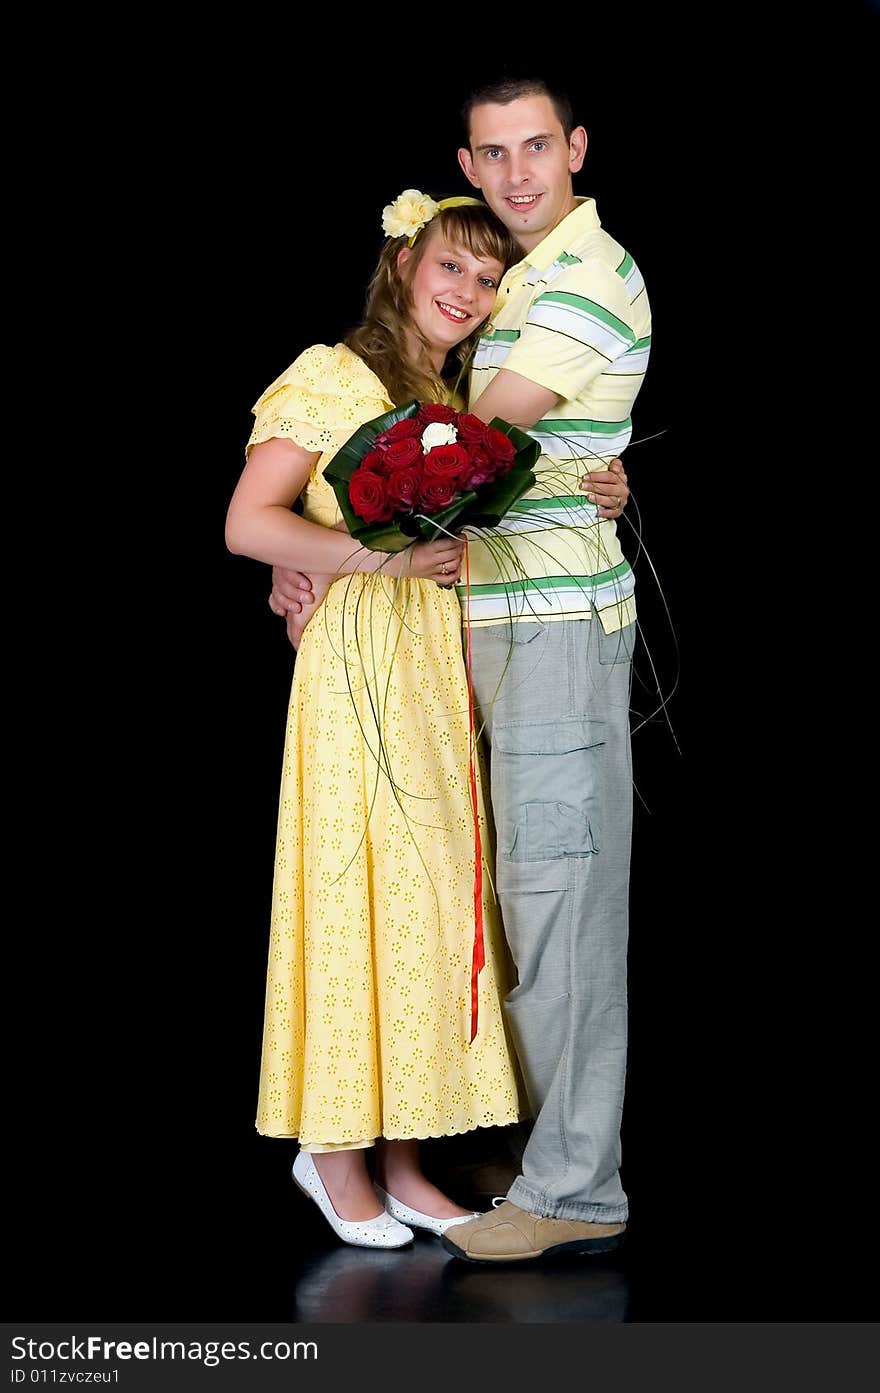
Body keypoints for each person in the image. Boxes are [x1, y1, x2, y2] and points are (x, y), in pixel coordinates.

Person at [271, 76, 647, 1264]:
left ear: (576, 146)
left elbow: (466, 446)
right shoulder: (505, 287)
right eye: (496, 153)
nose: (522, 170)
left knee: (556, 903)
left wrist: (330, 548)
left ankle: (575, 1186)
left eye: (539, 145)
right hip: (448, 637)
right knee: (452, 899)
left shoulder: (586, 276)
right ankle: (476, 1147)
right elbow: (406, 454)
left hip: (542, 627)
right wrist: (320, 559)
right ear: (466, 168)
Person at [225, 196, 528, 1250]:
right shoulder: (332, 372)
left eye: (489, 280)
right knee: (358, 898)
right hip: (358, 668)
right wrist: (370, 562)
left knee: (429, 906)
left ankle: (406, 1156)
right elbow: (247, 520)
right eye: (452, 266)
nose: (467, 293)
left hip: (429, 679)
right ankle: (334, 1151)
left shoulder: (447, 395)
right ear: (404, 263)